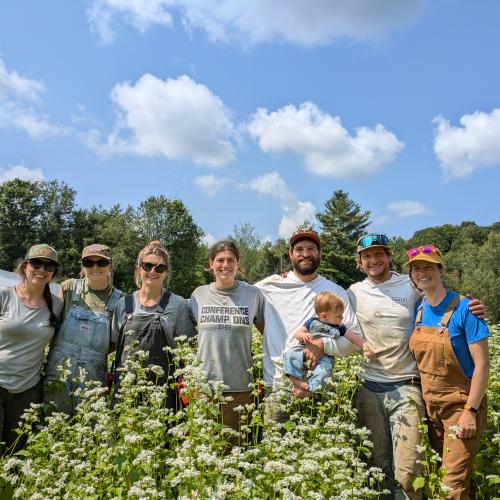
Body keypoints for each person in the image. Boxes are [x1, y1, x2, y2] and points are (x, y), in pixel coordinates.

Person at [347, 234, 485, 500]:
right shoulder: (353, 292)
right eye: (367, 256)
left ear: (389, 257)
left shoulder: (411, 288)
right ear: (360, 262)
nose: (373, 260)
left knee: (412, 472)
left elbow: (446, 301)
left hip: (411, 389)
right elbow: (330, 314)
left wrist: (473, 306)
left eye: (379, 254)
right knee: (379, 468)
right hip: (377, 389)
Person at [406, 244, 490, 500]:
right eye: (416, 268)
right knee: (452, 477)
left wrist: (470, 412)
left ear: (441, 270)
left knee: (450, 487)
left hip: (460, 406)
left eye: (428, 267)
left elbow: (483, 365)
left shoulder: (467, 309)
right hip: (431, 408)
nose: (422, 273)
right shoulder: (418, 309)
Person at [255, 229, 361, 423]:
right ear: (290, 254)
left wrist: (322, 346)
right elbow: (243, 301)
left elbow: (353, 339)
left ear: (319, 253)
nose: (305, 253)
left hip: (322, 388)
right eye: (299, 249)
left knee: (322, 447)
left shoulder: (335, 291)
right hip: (279, 384)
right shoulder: (270, 286)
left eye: (311, 248)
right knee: (276, 451)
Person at [189, 240, 265, 441]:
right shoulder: (199, 295)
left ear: (238, 264)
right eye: (220, 260)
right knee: (205, 452)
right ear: (211, 264)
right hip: (204, 388)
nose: (225, 265)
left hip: (240, 388)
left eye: (231, 260)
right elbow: (186, 336)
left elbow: (268, 331)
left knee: (235, 452)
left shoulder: (253, 294)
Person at [112, 241, 195, 408]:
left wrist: (190, 391)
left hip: (164, 394)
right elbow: (113, 345)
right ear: (138, 268)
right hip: (126, 393)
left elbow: (188, 352)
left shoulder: (177, 304)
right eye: (147, 266)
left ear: (166, 272)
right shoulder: (124, 304)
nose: (152, 271)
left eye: (160, 268)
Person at [44, 244, 122, 415]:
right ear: (83, 266)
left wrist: (91, 356)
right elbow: (50, 322)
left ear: (110, 265)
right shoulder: (69, 288)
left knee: (87, 429)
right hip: (58, 370)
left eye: (101, 262)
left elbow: (115, 342)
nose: (95, 267)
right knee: (53, 422)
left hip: (93, 375)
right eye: (89, 262)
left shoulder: (119, 300)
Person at [0, 244, 63, 453]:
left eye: (49, 266)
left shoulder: (56, 305)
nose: (42, 270)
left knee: (15, 452)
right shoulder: (5, 296)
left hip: (28, 390)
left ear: (54, 273)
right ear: (25, 266)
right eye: (36, 263)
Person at [283, 291, 373, 398]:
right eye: (338, 316)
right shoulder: (312, 322)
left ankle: (310, 390)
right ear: (324, 315)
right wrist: (303, 335)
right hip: (303, 349)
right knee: (289, 354)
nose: (342, 318)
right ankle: (295, 381)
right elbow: (297, 333)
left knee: (323, 372)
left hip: (325, 357)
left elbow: (354, 337)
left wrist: (365, 347)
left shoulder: (340, 327)